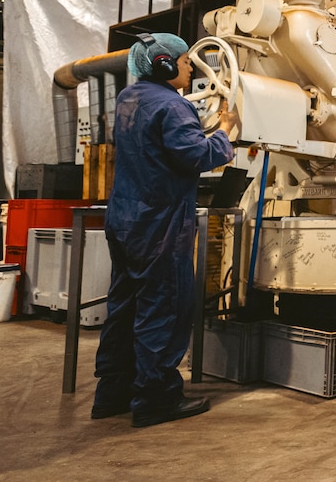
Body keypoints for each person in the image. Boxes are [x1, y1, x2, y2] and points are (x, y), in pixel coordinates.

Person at [91, 33, 239, 428]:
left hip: (124, 220)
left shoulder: (129, 98)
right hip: (159, 226)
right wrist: (226, 133)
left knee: (124, 307)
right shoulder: (173, 106)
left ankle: (112, 393)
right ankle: (156, 399)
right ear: (165, 64)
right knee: (164, 308)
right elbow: (194, 156)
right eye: (187, 62)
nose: (191, 69)